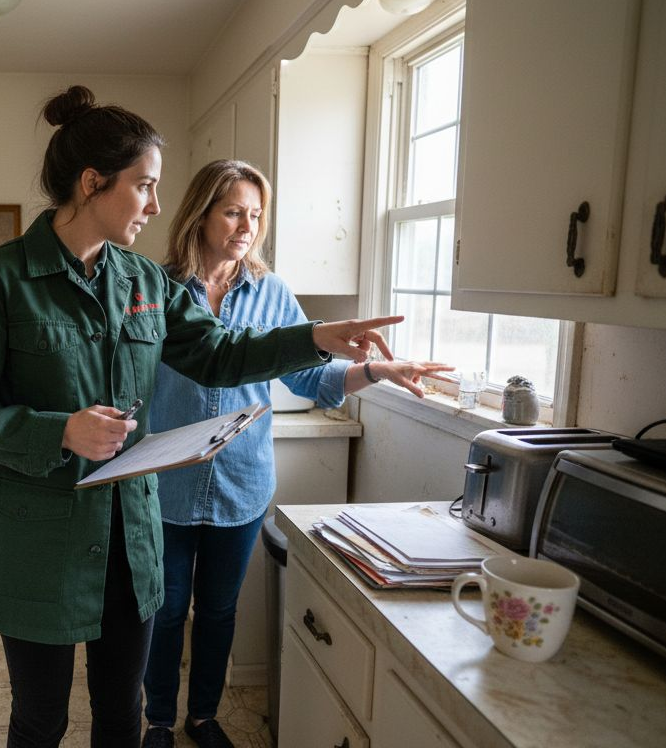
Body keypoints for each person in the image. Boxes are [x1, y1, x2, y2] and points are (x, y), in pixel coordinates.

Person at [0, 85, 402, 748]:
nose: (156, 205)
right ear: (94, 183)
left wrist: (315, 338)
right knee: (42, 719)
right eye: (144, 186)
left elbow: (216, 351)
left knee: (121, 714)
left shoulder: (143, 283)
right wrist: (58, 430)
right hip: (39, 545)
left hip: (132, 539)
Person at [140, 160, 452, 748]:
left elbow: (312, 378)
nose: (246, 226)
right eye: (233, 211)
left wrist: (378, 371)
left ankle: (202, 717)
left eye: (256, 215)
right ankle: (157, 720)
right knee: (165, 610)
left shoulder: (273, 293)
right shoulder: (154, 290)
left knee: (218, 612)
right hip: (166, 484)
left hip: (242, 482)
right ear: (201, 213)